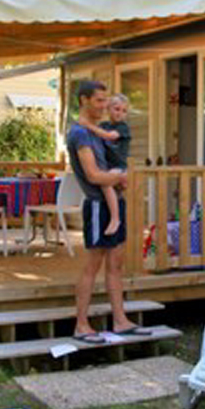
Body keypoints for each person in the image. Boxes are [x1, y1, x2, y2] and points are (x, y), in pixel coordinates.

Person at [66, 80, 148, 343]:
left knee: (116, 264)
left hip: (115, 201)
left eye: (105, 100)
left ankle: (120, 321)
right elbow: (93, 175)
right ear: (84, 100)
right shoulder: (80, 134)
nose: (104, 106)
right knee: (93, 265)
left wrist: (118, 179)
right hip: (97, 205)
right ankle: (81, 325)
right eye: (99, 100)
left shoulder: (98, 131)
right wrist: (119, 178)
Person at [76, 93, 131, 236]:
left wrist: (88, 125)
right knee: (106, 184)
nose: (120, 113)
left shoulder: (123, 127)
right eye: (117, 109)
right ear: (108, 109)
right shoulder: (103, 125)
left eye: (124, 111)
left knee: (105, 183)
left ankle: (115, 218)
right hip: (107, 167)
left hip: (119, 166)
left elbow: (110, 136)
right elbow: (95, 137)